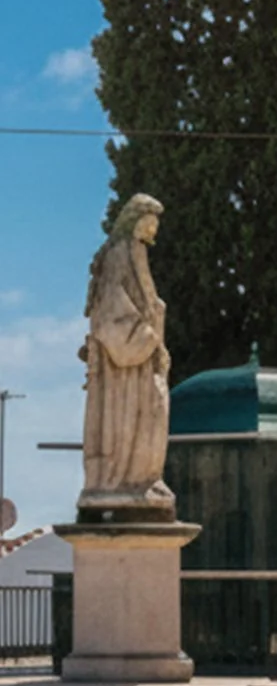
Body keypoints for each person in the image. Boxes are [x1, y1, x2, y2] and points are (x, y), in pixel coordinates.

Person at [78, 194, 174, 517]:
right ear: (137, 220)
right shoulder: (121, 254)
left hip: (143, 361)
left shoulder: (135, 252)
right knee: (131, 417)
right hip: (128, 365)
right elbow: (109, 309)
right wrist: (146, 338)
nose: (155, 228)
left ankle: (142, 478)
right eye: (152, 221)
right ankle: (125, 480)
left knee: (152, 412)